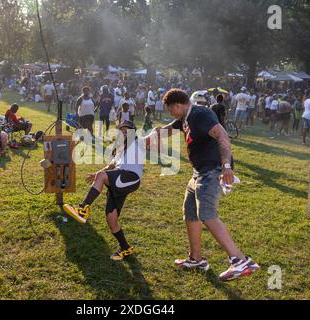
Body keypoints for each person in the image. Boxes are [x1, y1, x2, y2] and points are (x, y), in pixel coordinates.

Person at [159, 89, 259, 281]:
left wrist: (227, 166)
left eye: (170, 109)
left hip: (212, 170)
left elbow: (222, 136)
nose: (170, 113)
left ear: (178, 105)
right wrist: (140, 141)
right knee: (190, 212)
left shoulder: (200, 114)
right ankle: (196, 258)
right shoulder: (186, 118)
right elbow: (165, 130)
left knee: (206, 213)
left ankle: (240, 260)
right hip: (198, 173)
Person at [63, 120, 151, 261]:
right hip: (118, 179)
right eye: (121, 130)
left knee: (102, 177)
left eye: (127, 129)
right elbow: (110, 166)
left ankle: (82, 209)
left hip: (130, 177)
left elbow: (152, 138)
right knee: (111, 219)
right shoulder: (120, 149)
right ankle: (125, 248)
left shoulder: (138, 142)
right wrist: (96, 174)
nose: (123, 132)